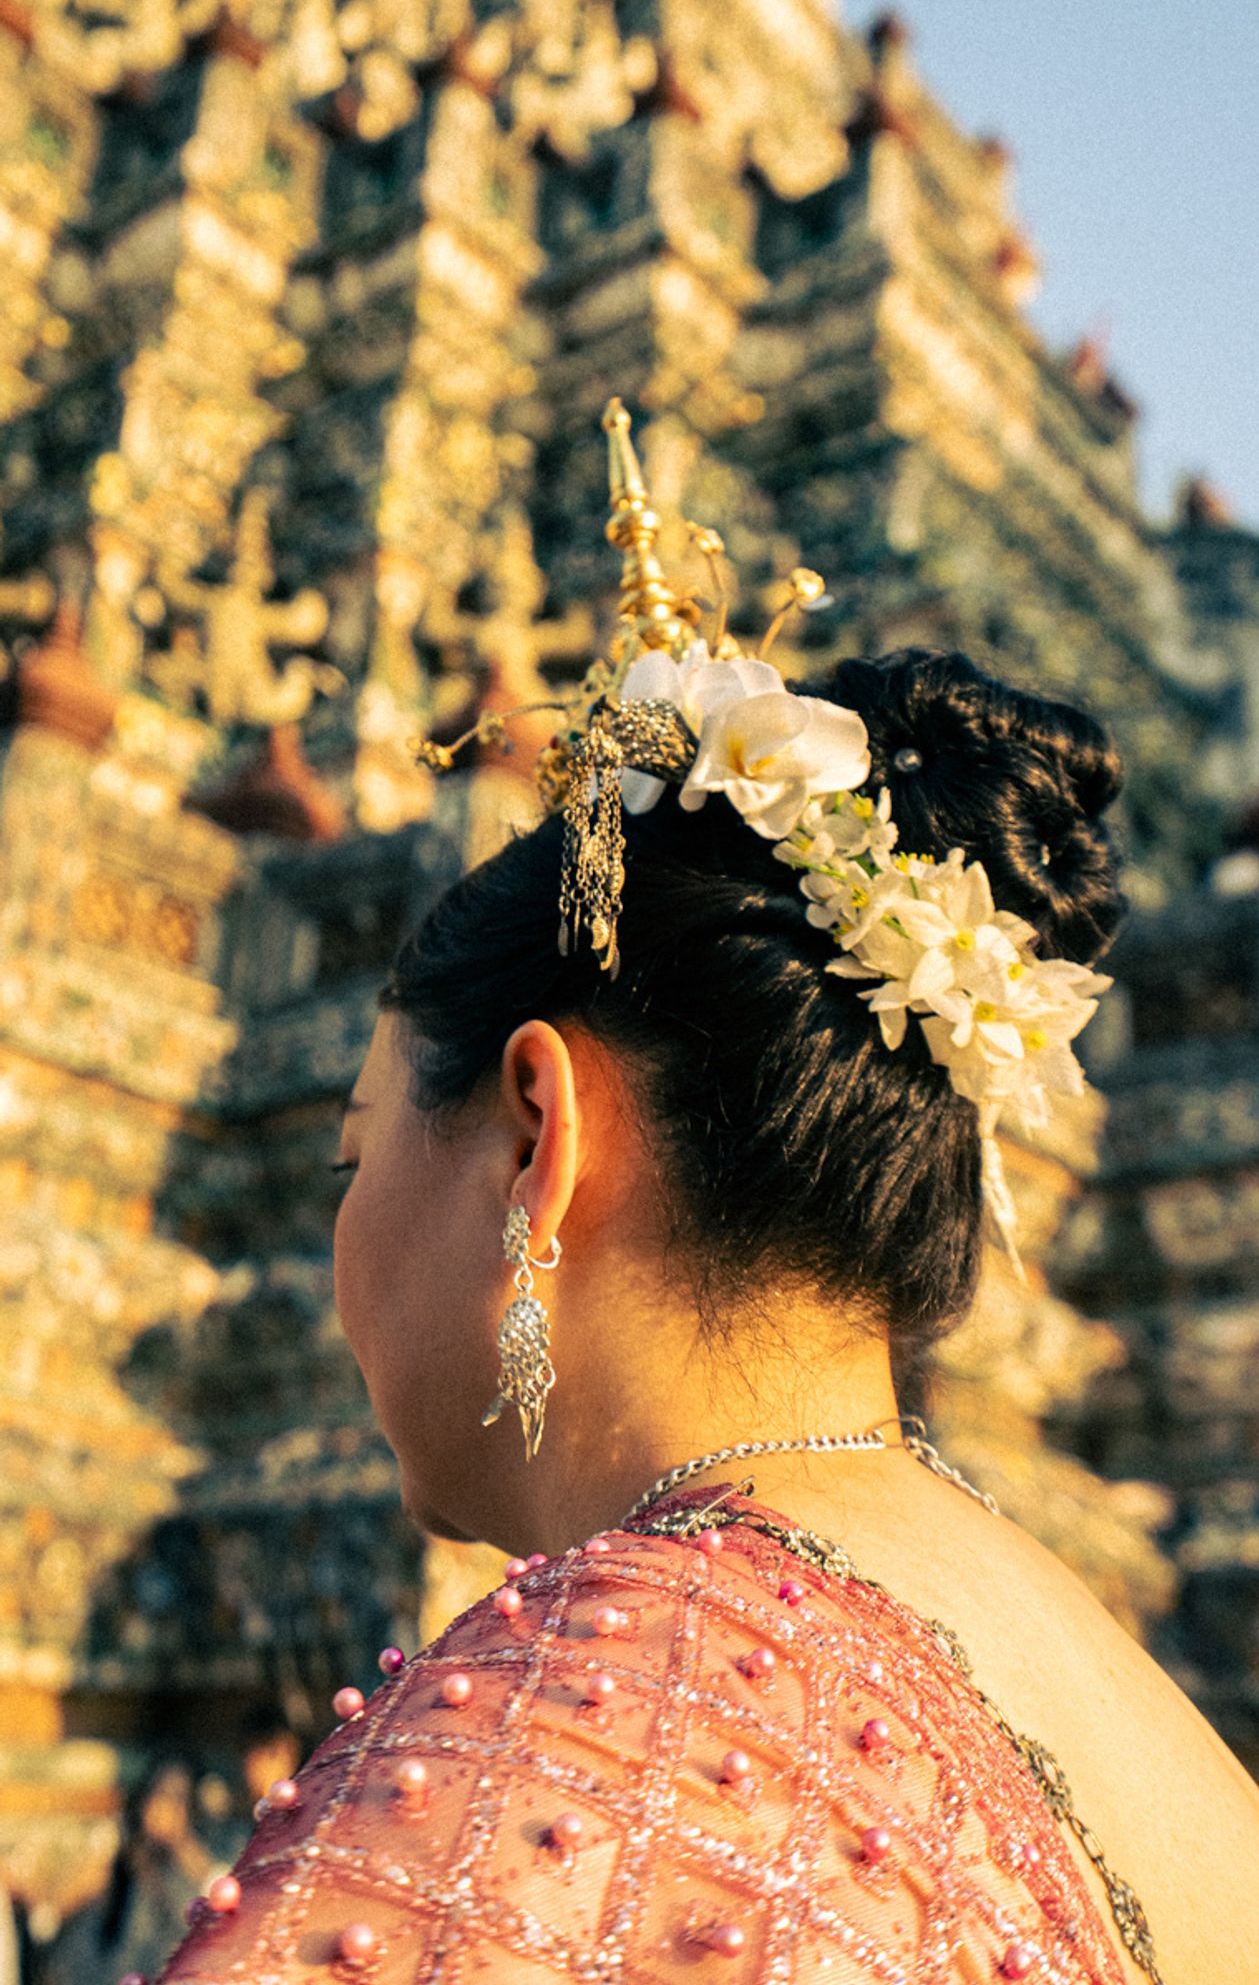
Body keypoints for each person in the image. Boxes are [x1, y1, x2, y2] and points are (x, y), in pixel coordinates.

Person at [159, 420, 1259, 1984]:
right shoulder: (1128, 1700)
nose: (339, 1230)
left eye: (351, 1156)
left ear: (536, 1134)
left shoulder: (548, 1780)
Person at [42, 1760, 212, 1985]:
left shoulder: (202, 1854)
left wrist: (181, 1843)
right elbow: (51, 1917)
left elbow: (214, 1887)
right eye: (159, 1794)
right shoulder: (116, 1846)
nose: (164, 1807)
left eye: (178, 1798)